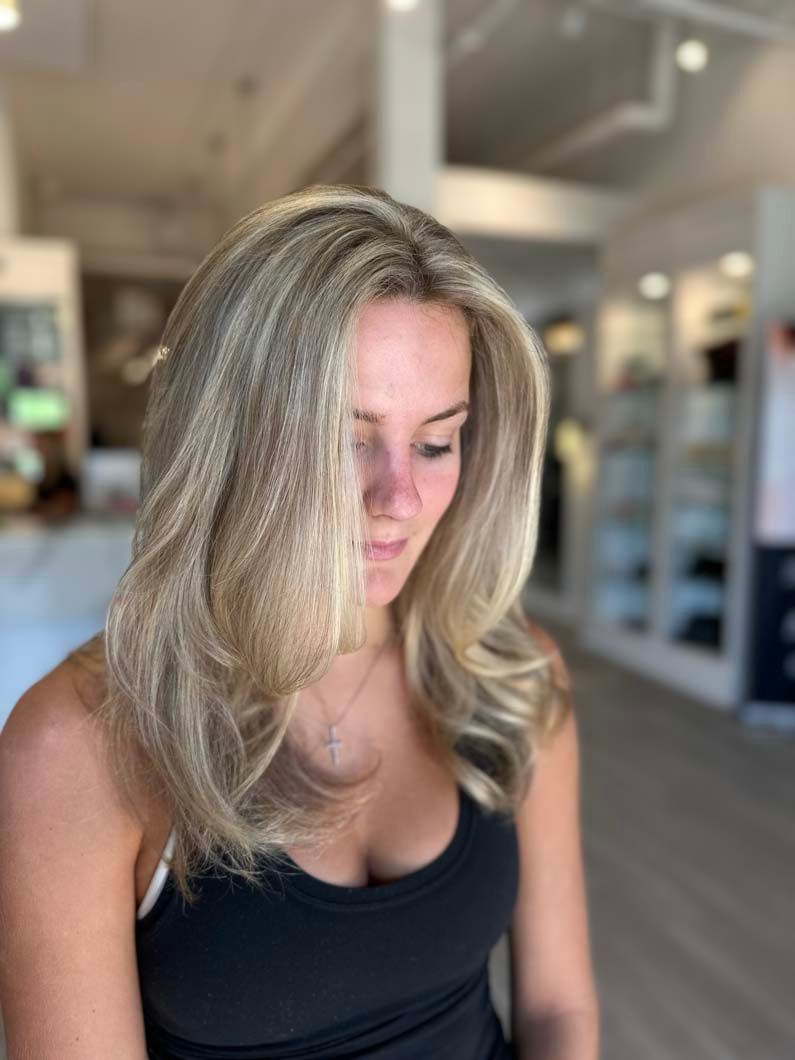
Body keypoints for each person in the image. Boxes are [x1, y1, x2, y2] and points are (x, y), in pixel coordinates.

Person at [0, 184, 599, 1059]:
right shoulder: (82, 747)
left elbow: (557, 1013)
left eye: (436, 442)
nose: (398, 499)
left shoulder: (507, 675)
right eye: (344, 437)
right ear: (229, 437)